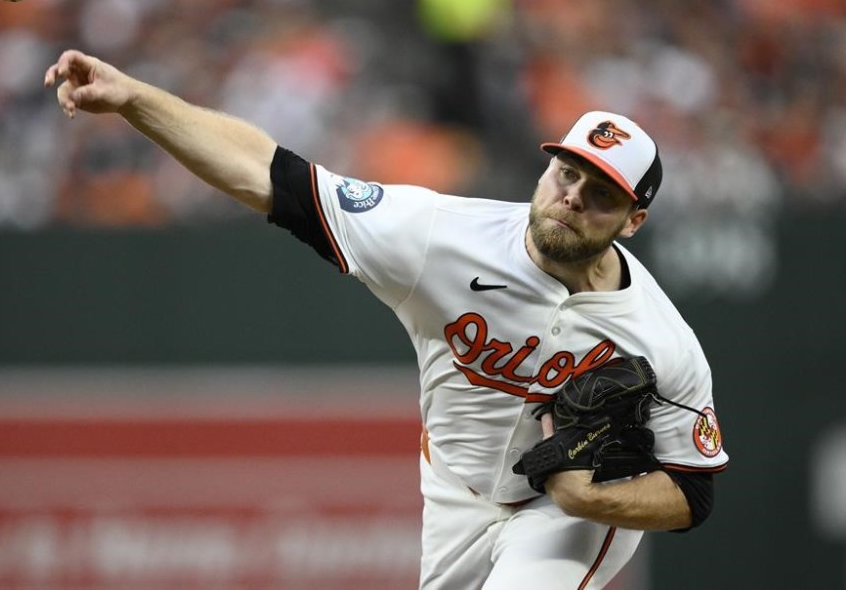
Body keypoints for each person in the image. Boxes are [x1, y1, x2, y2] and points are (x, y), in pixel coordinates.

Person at [44, 49, 728, 589]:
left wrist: (587, 499)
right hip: (455, 490)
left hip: (566, 512)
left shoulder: (661, 339)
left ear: (634, 221)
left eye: (600, 194)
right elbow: (270, 175)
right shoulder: (439, 237)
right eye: (566, 174)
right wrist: (136, 99)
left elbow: (693, 492)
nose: (571, 197)